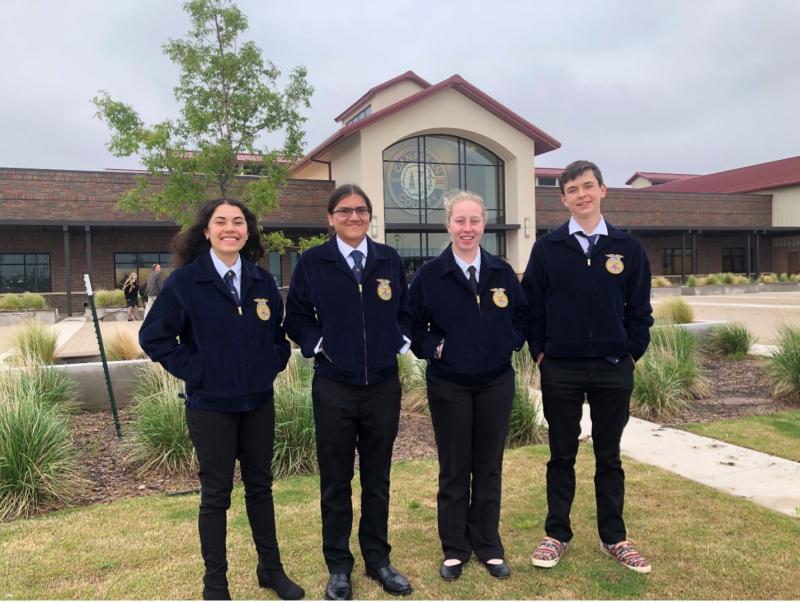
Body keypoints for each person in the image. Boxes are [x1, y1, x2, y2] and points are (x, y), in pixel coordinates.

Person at [138, 198, 304, 601]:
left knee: (261, 488)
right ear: (207, 231)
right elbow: (153, 337)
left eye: (239, 222)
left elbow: (277, 338)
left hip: (257, 403)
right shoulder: (186, 281)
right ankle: (216, 583)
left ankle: (271, 569)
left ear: (247, 231)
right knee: (216, 495)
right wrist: (199, 372)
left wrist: (272, 364)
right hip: (211, 407)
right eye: (221, 222)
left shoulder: (262, 281)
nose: (231, 228)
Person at [521, 160, 654, 574]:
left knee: (608, 456)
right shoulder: (547, 248)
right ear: (563, 198)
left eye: (588, 186)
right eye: (573, 189)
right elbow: (531, 310)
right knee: (561, 454)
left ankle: (614, 538)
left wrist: (630, 352)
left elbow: (640, 312)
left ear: (602, 190)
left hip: (613, 368)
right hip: (560, 368)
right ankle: (556, 534)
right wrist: (541, 354)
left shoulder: (627, 249)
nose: (581, 194)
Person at [284, 184, 413, 601]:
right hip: (334, 387)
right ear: (330, 218)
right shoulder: (313, 262)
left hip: (381, 386)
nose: (353, 217)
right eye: (344, 211)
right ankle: (338, 565)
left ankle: (378, 559)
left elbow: (406, 311)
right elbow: (297, 318)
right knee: (336, 482)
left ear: (369, 216)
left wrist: (398, 339)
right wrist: (321, 344)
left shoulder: (388, 259)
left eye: (360, 211)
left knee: (378, 480)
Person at [409, 191, 528, 582]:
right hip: (450, 385)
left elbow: (522, 316)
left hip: (495, 382)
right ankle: (456, 548)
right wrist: (435, 348)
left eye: (474, 221)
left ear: (484, 225)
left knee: (489, 466)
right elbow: (410, 326)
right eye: (460, 221)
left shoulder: (501, 272)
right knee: (455, 468)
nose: (467, 228)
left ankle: (488, 545)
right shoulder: (430, 275)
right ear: (448, 225)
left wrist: (508, 341)